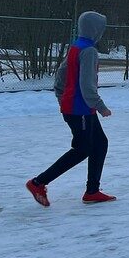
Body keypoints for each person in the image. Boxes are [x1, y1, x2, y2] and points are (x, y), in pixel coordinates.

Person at [25, 11, 116, 207]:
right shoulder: (89, 51)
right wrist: (101, 107)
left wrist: (62, 97)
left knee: (100, 143)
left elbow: (61, 75)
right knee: (82, 149)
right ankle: (38, 183)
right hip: (80, 109)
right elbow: (87, 86)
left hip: (78, 107)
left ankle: (92, 191)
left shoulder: (77, 46)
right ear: (95, 30)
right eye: (101, 29)